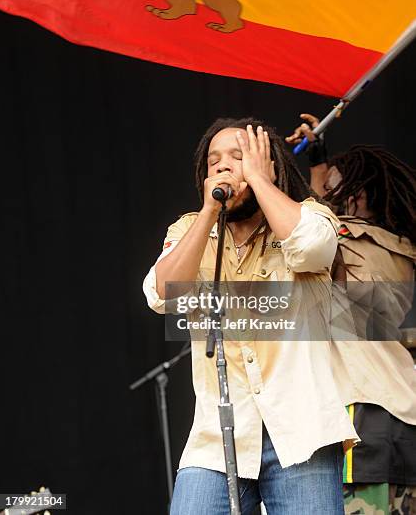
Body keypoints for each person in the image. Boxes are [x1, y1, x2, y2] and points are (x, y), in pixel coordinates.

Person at [143, 117, 359, 515]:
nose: (224, 166)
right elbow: (161, 295)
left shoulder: (311, 217)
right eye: (215, 160)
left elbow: (311, 246)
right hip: (215, 439)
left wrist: (261, 182)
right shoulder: (191, 229)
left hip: (301, 437)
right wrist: (210, 211)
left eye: (238, 157)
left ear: (267, 163)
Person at [286, 114, 416, 515]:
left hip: (368, 421)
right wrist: (318, 161)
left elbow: (313, 237)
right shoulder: (371, 244)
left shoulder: (379, 249)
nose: (328, 190)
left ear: (363, 194)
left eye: (337, 185)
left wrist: (264, 173)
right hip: (381, 419)